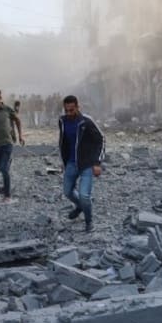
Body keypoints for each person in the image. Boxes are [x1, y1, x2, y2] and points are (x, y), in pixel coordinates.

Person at [58, 96, 105, 233]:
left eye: (71, 110)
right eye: (66, 110)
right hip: (71, 163)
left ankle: (89, 221)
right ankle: (81, 206)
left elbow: (101, 139)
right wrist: (63, 162)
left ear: (78, 107)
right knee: (67, 192)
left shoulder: (86, 121)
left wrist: (97, 163)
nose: (69, 113)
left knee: (84, 195)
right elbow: (63, 142)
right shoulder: (62, 121)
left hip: (87, 164)